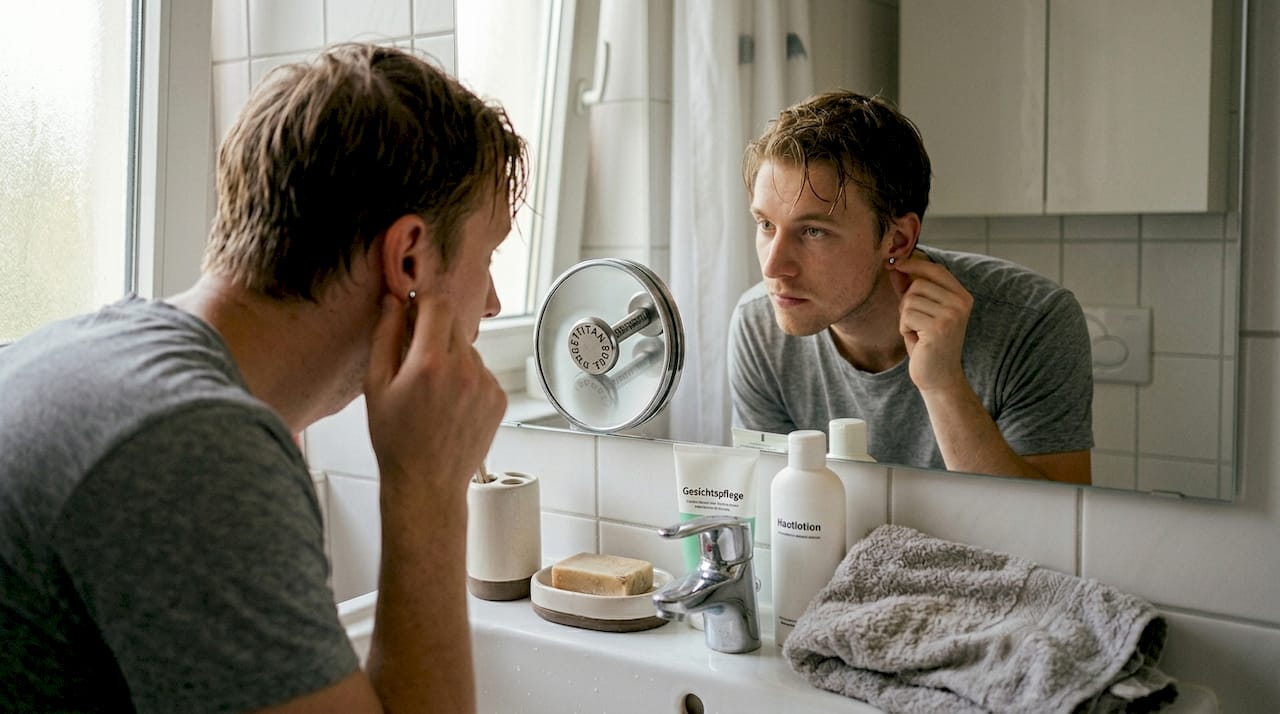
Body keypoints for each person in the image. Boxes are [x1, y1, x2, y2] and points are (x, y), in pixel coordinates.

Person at [0, 43, 526, 713]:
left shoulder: (102, 357)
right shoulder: (191, 448)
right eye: (489, 256)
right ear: (410, 259)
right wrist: (427, 487)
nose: (493, 305)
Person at [728, 90, 1093, 484]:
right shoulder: (759, 326)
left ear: (898, 240)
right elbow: (772, 509)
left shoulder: (1033, 322)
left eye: (813, 231)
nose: (773, 265)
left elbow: (1054, 529)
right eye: (765, 225)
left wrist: (943, 386)